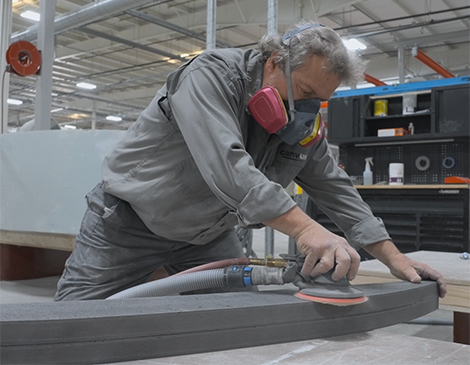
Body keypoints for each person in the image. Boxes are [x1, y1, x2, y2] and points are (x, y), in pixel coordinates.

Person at [55, 20, 446, 301]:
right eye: (306, 91)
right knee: (71, 324)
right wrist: (307, 230)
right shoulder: (211, 76)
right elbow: (228, 168)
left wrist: (393, 258)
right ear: (274, 62)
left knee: (236, 317)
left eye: (319, 101)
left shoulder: (301, 123)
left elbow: (335, 188)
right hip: (128, 225)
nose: (308, 109)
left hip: (206, 237)